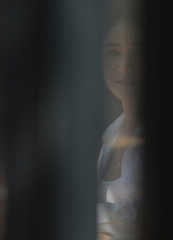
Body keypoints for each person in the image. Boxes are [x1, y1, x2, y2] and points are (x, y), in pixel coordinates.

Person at [97, 10, 141, 240]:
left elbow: (139, 215)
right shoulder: (110, 132)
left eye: (138, 53)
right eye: (114, 52)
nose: (124, 66)